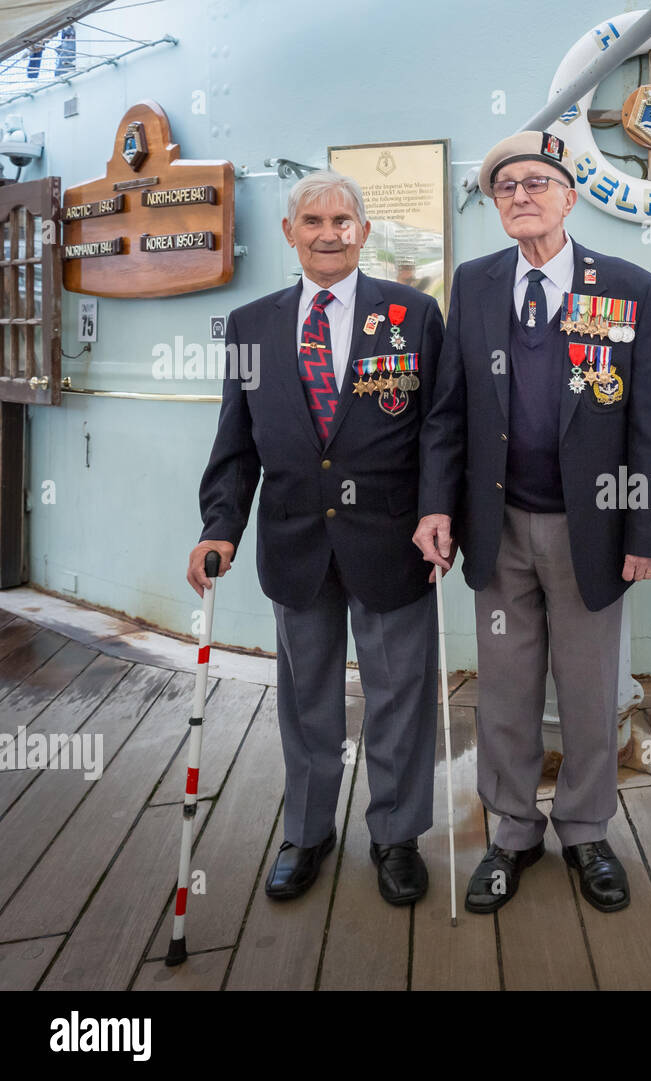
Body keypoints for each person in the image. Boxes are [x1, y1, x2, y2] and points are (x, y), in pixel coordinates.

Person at [414, 131, 651, 915]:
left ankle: (587, 830)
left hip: (590, 529)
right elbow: (447, 411)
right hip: (498, 528)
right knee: (504, 689)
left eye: (536, 183)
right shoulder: (476, 283)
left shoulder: (629, 287)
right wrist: (437, 505)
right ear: (495, 206)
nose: (521, 196)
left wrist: (650, 526)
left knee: (592, 691)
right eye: (505, 188)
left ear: (570, 196)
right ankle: (513, 831)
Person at [187, 170, 444, 906]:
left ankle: (396, 835)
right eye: (313, 220)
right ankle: (307, 830)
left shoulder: (414, 314)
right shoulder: (251, 326)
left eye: (342, 220)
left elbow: (438, 430)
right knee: (307, 701)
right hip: (295, 542)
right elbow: (235, 442)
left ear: (364, 231)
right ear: (289, 232)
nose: (328, 232)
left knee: (399, 695)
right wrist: (219, 527)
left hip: (394, 544)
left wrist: (437, 510)